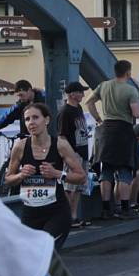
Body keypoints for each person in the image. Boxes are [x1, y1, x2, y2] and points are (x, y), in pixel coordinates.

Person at [5, 103, 86, 250]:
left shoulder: (60, 145)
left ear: (46, 120)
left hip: (56, 212)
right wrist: (21, 175)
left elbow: (81, 176)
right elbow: (8, 179)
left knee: (45, 252)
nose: (31, 123)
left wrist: (58, 174)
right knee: (32, 259)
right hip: (30, 214)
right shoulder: (20, 147)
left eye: (35, 117)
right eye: (27, 119)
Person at [85, 60, 139, 220]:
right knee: (124, 170)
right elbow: (137, 114)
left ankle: (105, 209)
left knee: (106, 171)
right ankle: (125, 208)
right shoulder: (130, 90)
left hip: (105, 130)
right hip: (123, 130)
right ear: (128, 73)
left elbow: (89, 102)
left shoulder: (103, 86)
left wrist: (98, 119)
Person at [57, 82, 91, 228]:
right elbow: (62, 136)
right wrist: (69, 155)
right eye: (80, 92)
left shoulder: (78, 108)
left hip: (82, 151)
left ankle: (74, 216)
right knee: (69, 187)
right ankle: (68, 217)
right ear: (72, 94)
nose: (83, 95)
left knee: (78, 187)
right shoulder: (65, 112)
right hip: (73, 153)